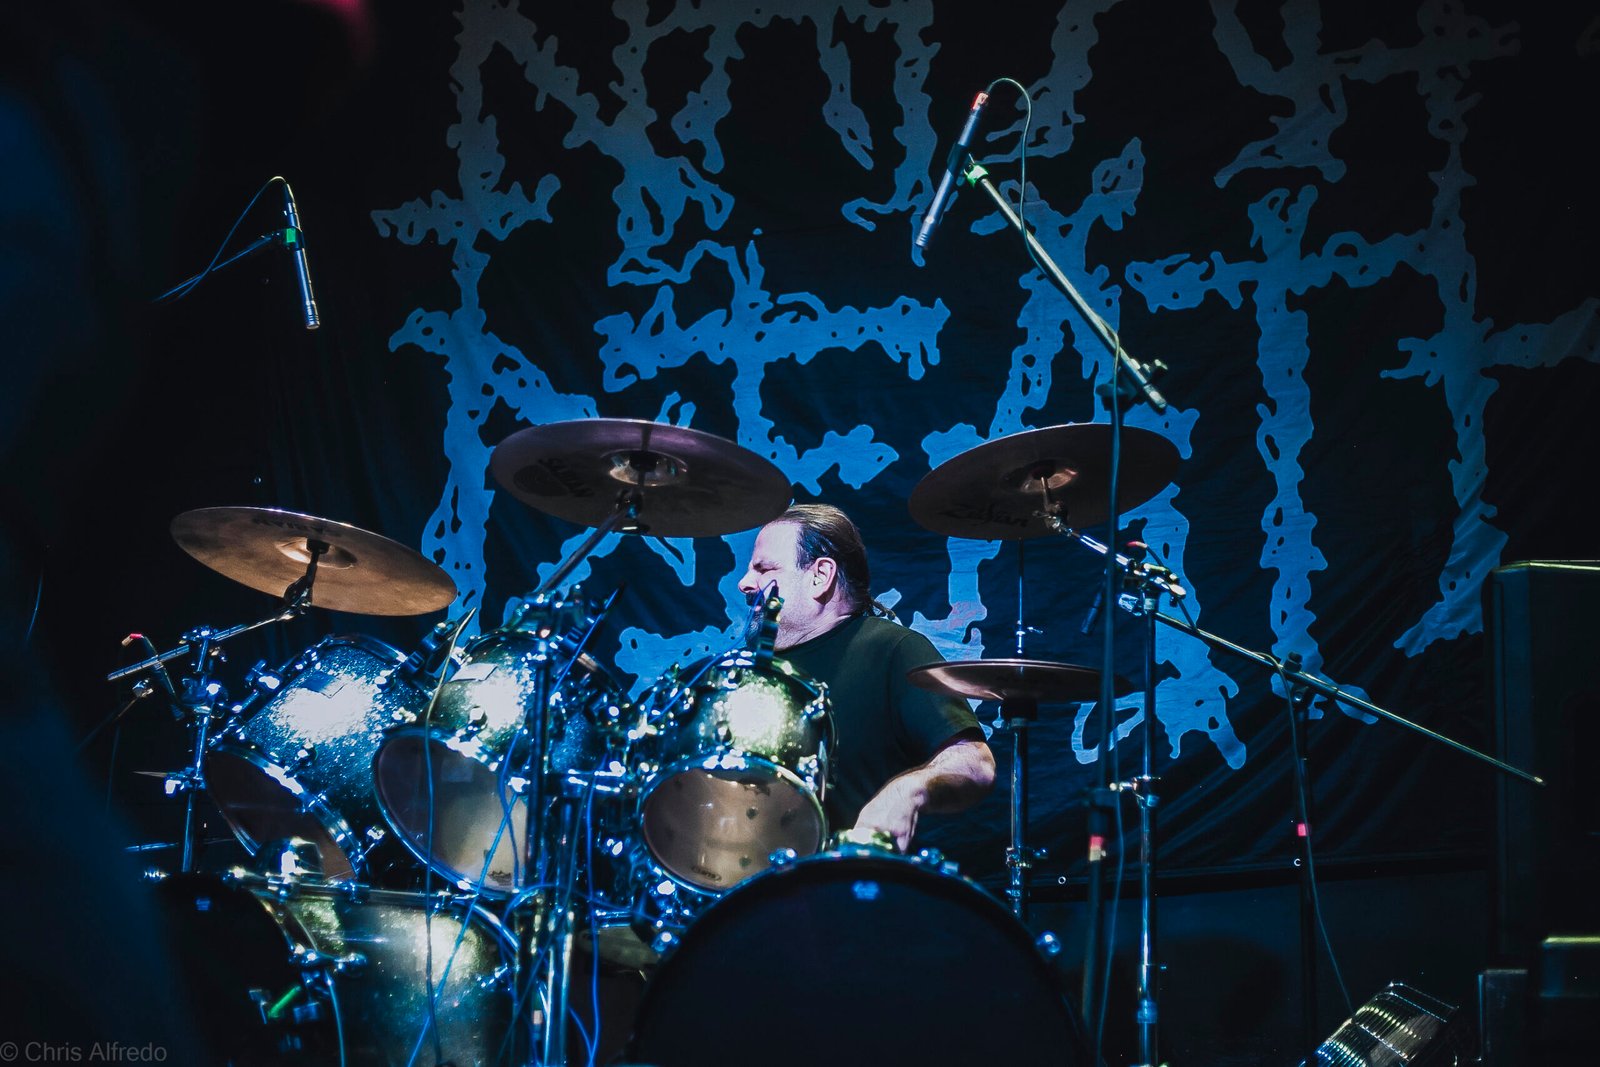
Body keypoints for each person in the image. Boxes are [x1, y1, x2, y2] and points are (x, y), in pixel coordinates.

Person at [736, 503, 995, 851]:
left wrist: (907, 791)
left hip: (853, 878)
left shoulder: (891, 649)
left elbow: (975, 764)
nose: (744, 583)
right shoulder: (745, 671)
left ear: (820, 575)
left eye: (764, 568)